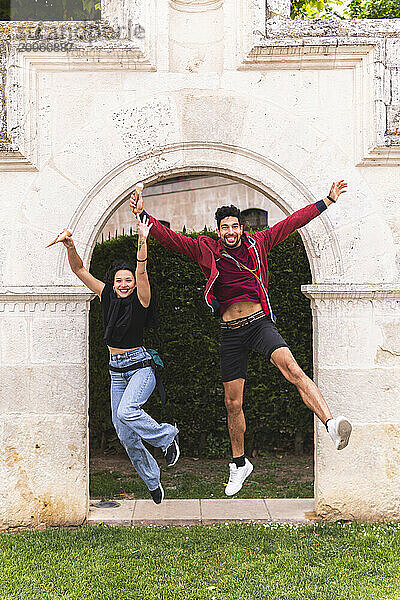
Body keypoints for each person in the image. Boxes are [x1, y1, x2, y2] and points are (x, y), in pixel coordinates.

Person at [130, 181, 352, 496]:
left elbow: (292, 222)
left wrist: (327, 200)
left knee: (292, 370)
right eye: (225, 227)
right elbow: (173, 240)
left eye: (234, 226)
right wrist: (143, 216)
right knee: (233, 402)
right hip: (230, 333)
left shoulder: (259, 243)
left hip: (259, 324)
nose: (230, 231)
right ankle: (239, 464)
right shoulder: (206, 249)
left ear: (241, 227)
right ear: (218, 230)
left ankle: (330, 425)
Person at [63, 213, 180, 504]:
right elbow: (79, 270)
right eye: (119, 280)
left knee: (127, 412)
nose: (124, 284)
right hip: (117, 371)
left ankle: (168, 437)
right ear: (113, 282)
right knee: (125, 434)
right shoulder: (106, 295)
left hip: (140, 367)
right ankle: (153, 481)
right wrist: (69, 246)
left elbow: (142, 273)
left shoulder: (141, 299)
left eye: (127, 280)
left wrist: (142, 240)